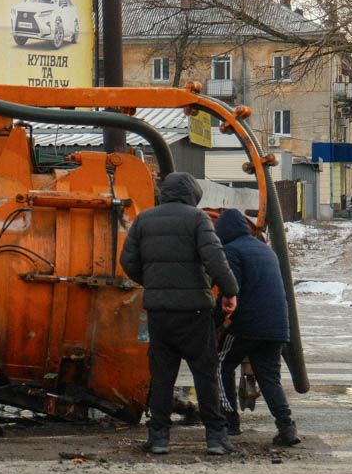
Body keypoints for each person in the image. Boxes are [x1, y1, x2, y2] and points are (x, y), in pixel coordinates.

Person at [119, 172, 240, 456]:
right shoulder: (198, 219)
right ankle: (216, 438)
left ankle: (159, 437)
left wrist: (153, 282)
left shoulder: (144, 220)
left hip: (160, 312)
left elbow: (127, 261)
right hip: (194, 311)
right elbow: (215, 257)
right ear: (192, 194)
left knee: (162, 375)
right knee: (205, 373)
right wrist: (230, 290)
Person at [214, 208, 301, 446]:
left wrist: (213, 324)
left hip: (249, 325)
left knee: (220, 363)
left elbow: (230, 292)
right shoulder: (266, 250)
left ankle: (229, 420)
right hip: (278, 326)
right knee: (269, 377)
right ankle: (287, 428)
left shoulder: (232, 251)